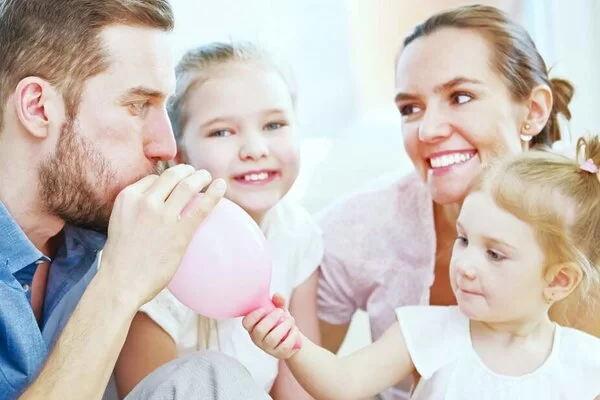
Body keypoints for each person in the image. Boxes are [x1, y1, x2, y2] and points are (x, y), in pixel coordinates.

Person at [0, 1, 269, 399]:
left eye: (164, 108)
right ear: (38, 108)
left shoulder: (101, 231)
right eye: (137, 106)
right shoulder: (120, 258)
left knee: (209, 379)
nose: (166, 145)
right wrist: (119, 286)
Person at [315, 5, 585, 399]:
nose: (428, 130)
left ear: (534, 111)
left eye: (460, 97)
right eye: (410, 109)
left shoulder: (586, 221)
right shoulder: (358, 227)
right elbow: (306, 386)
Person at [244, 136, 600, 400]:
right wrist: (291, 344)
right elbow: (343, 383)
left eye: (494, 254)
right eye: (463, 240)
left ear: (559, 280)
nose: (466, 266)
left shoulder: (587, 363)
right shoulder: (426, 331)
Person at [114, 42, 322, 399]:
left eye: (274, 124)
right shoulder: (154, 247)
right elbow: (151, 391)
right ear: (178, 151)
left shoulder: (296, 232)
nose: (255, 149)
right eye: (222, 132)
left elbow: (299, 389)